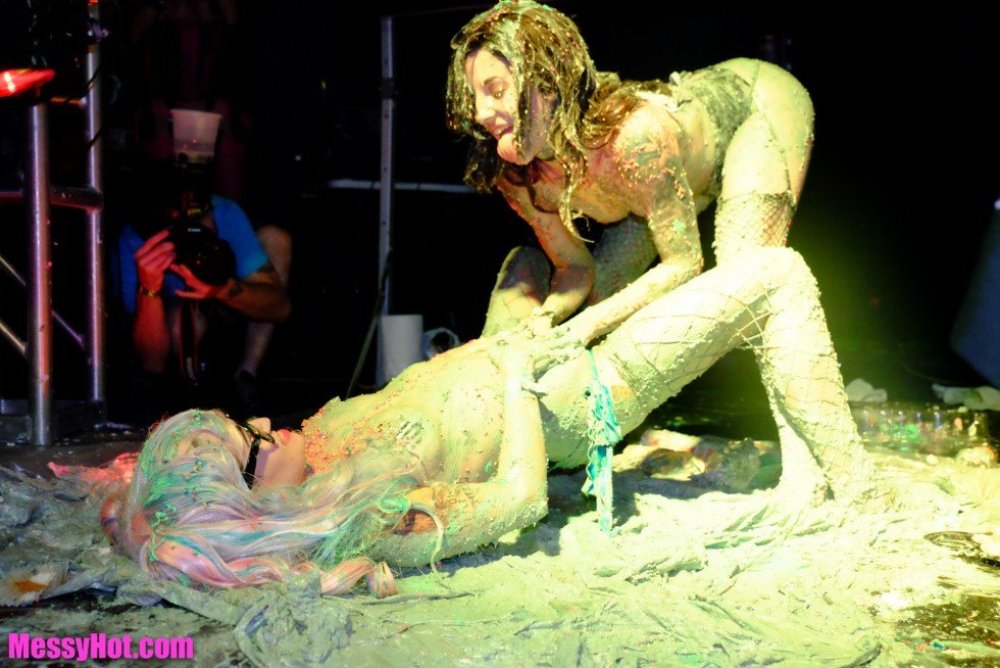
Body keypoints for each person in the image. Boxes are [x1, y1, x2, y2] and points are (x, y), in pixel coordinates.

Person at [102, 247, 889, 598]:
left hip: (517, 349)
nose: (265, 419)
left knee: (537, 253)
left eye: (245, 421)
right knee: (777, 275)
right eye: (253, 441)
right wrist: (516, 377)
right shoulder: (375, 519)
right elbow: (520, 500)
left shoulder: (310, 451)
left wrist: (501, 347)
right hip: (574, 395)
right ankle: (858, 489)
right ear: (256, 507)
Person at [446, 1, 814, 342]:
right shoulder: (519, 176)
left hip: (755, 106)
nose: (480, 113)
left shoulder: (632, 139)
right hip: (660, 185)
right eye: (476, 97)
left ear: (549, 82)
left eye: (497, 91)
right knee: (599, 298)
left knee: (741, 285)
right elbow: (575, 269)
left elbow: (684, 262)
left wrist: (581, 329)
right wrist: (547, 318)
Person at [115, 162, 292, 410]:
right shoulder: (136, 239)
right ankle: (183, 394)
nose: (196, 231)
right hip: (176, 318)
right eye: (185, 223)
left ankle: (247, 375)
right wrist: (149, 288)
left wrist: (222, 289)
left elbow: (280, 308)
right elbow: (151, 361)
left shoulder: (224, 213)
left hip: (231, 305)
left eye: (199, 217)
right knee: (183, 324)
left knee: (275, 240)